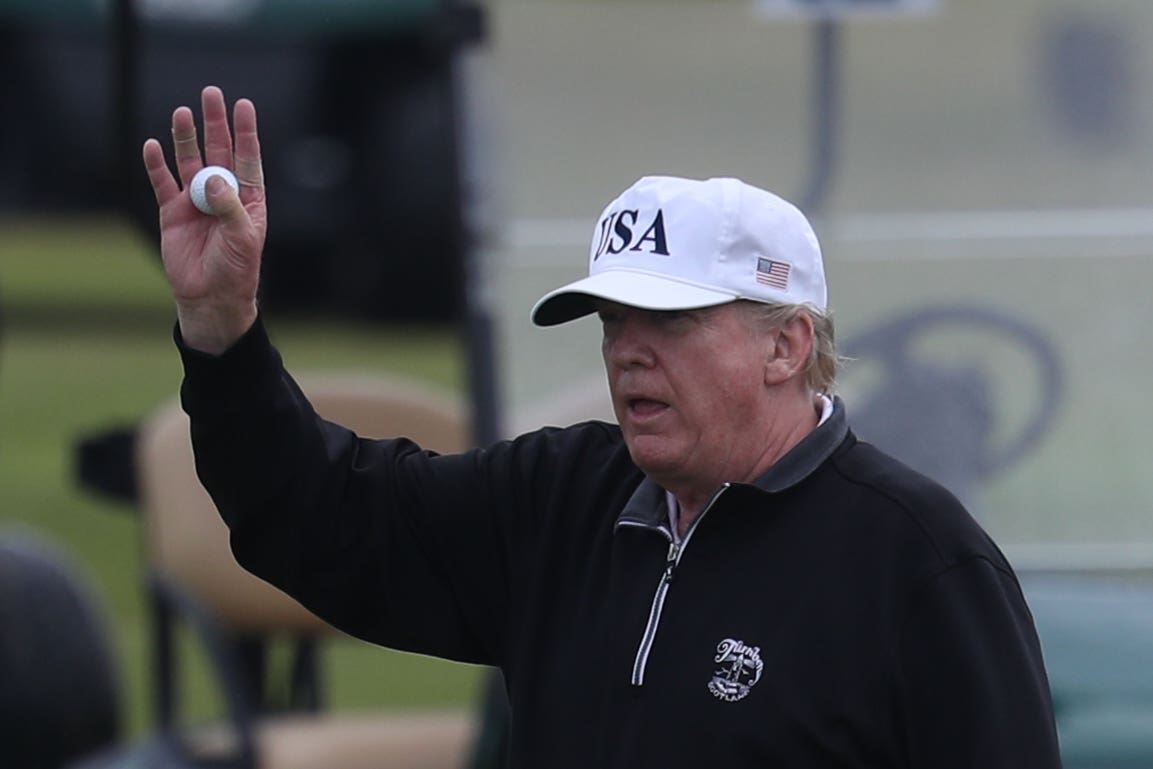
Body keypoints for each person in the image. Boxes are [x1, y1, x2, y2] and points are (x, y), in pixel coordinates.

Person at [143, 86, 1063, 768]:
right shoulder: (560, 499)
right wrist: (224, 330)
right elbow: (318, 517)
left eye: (668, 322)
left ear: (785, 346)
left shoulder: (918, 560)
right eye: (612, 321)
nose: (626, 351)